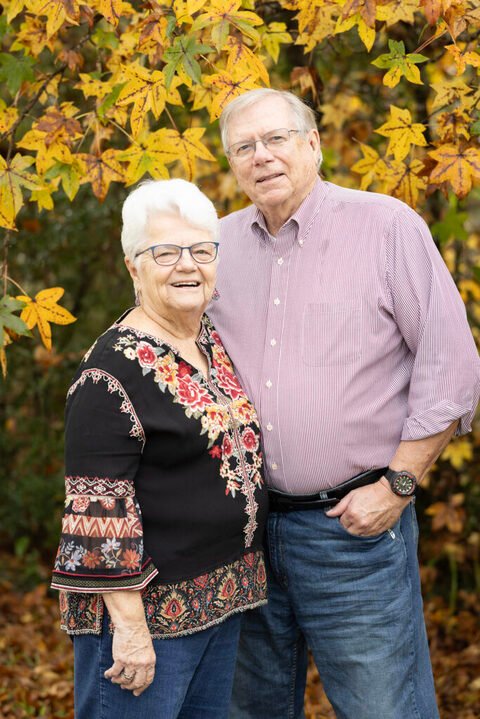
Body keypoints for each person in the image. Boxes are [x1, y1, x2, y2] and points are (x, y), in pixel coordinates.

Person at [207, 88, 480, 719]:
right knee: (251, 710)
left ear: (313, 143)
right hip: (243, 535)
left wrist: (400, 483)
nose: (262, 156)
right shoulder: (216, 248)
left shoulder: (385, 227)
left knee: (384, 708)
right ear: (231, 162)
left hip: (353, 529)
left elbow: (453, 364)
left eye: (276, 138)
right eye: (244, 147)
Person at [51, 179, 268, 719]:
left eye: (200, 250)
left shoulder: (207, 339)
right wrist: (128, 631)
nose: (186, 265)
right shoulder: (110, 374)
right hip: (144, 624)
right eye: (165, 252)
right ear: (133, 266)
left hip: (220, 601)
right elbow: (96, 518)